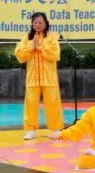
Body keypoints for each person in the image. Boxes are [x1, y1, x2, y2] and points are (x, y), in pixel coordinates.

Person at [15, 12, 64, 140]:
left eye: (40, 22)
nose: (37, 24)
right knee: (31, 103)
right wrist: (31, 48)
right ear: (32, 23)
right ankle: (30, 130)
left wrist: (41, 48)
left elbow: (55, 55)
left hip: (49, 76)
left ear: (45, 23)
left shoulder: (52, 37)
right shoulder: (27, 38)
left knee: (53, 102)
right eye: (35, 22)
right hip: (33, 76)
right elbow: (19, 54)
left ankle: (55, 129)